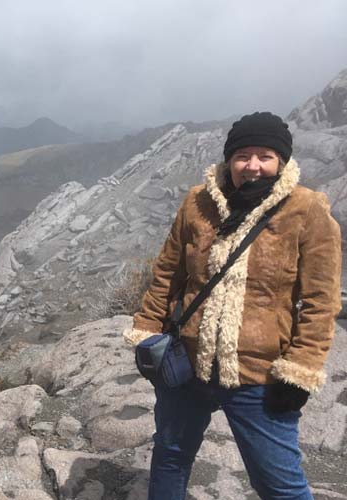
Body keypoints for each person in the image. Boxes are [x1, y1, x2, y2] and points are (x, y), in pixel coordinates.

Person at [124, 111, 341, 499]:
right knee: (171, 456)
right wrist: (147, 332)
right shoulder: (197, 203)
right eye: (243, 156)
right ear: (229, 160)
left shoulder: (306, 210)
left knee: (279, 484)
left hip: (259, 375)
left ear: (282, 162)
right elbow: (167, 272)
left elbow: (320, 301)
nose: (252, 166)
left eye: (265, 156)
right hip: (186, 365)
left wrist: (300, 370)